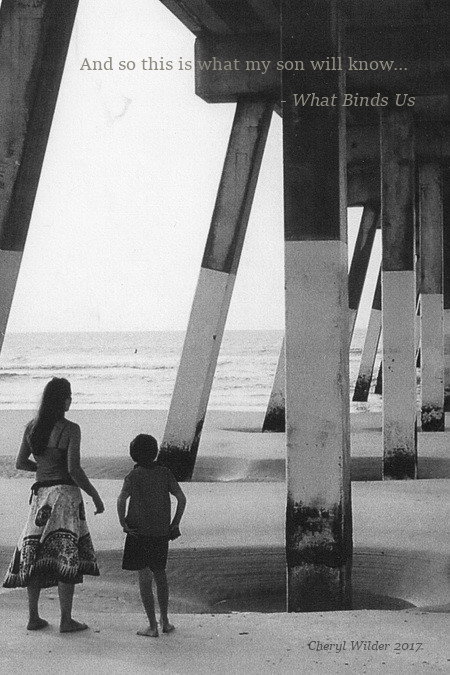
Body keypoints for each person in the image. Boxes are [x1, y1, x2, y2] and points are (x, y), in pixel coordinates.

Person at [2, 377, 104, 633]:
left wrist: (43, 468)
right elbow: (74, 469)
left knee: (36, 553)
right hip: (65, 496)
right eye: (69, 396)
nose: (71, 400)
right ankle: (66, 620)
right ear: (63, 399)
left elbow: (20, 463)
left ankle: (33, 617)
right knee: (66, 555)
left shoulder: (32, 428)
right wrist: (94, 494)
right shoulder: (70, 429)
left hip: (41, 496)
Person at [117, 434, 186, 637]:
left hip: (138, 533)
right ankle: (165, 621)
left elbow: (121, 500)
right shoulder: (165, 473)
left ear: (133, 455)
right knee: (160, 574)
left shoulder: (133, 475)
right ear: (155, 452)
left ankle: (152, 625)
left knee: (144, 578)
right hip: (160, 532)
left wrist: (123, 523)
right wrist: (175, 522)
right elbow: (181, 499)